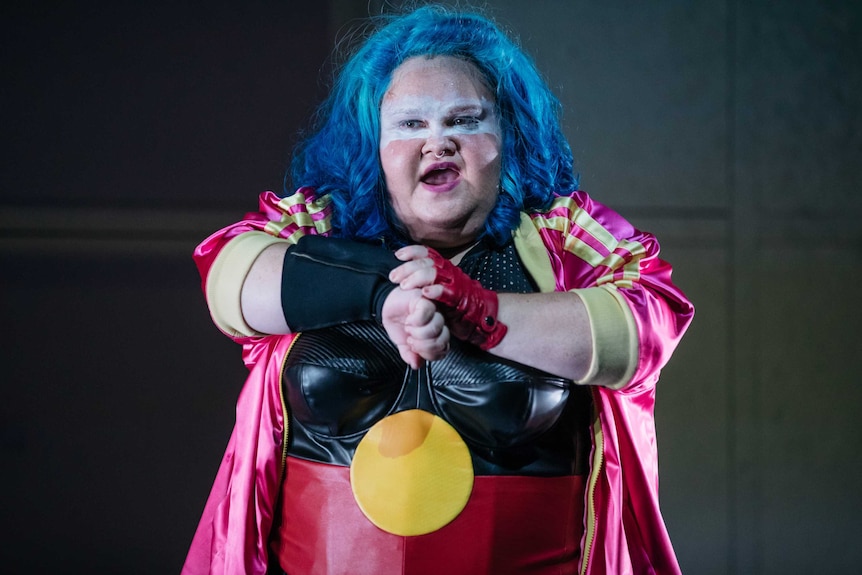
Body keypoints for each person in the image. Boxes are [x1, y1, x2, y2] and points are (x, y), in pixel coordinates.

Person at [183, 4, 694, 574]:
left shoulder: (561, 233)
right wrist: (383, 292)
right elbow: (229, 278)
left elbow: (647, 323)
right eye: (409, 124)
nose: (438, 143)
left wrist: (475, 308)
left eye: (465, 120)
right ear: (371, 143)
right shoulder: (317, 224)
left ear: (509, 138)